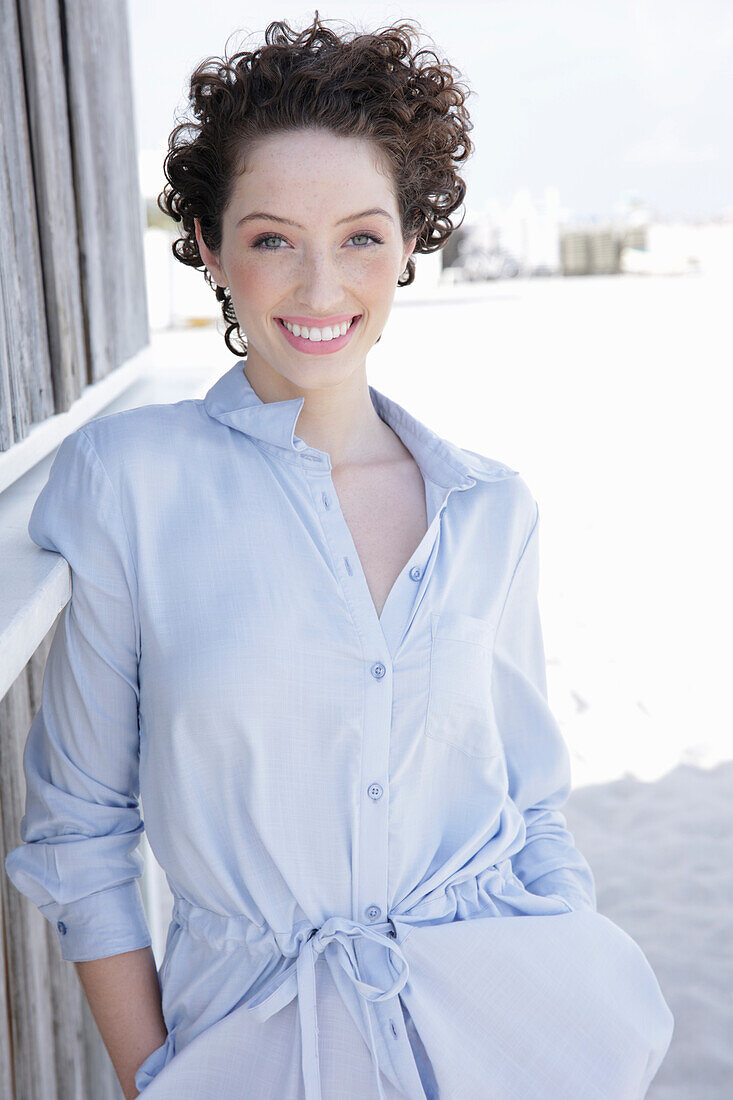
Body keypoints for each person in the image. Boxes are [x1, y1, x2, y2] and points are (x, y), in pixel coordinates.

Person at [4, 12, 674, 1099]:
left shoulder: (490, 508)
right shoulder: (130, 480)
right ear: (211, 249)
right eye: (272, 238)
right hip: (247, 1048)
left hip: (499, 1039)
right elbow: (80, 834)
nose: (321, 289)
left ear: (410, 242)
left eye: (361, 235)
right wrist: (157, 1079)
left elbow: (533, 808)